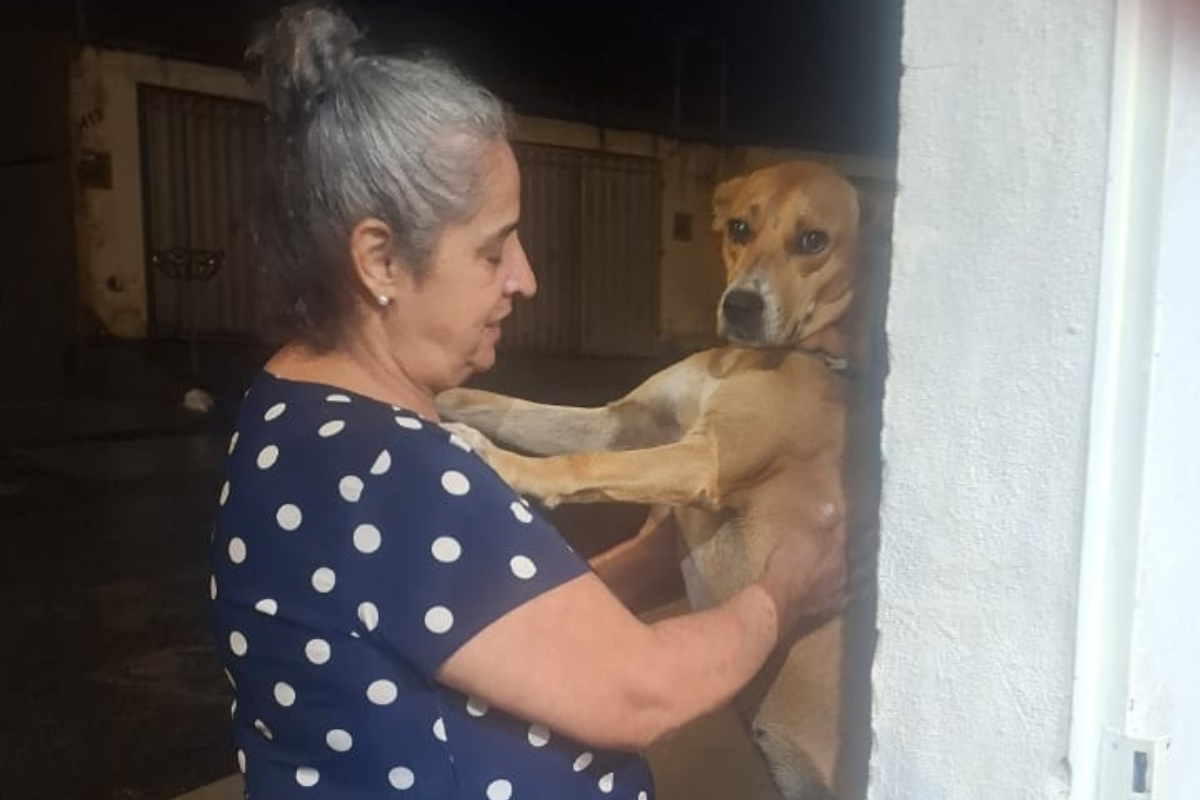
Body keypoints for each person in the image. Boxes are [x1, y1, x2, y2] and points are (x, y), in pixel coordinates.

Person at [209, 4, 847, 799]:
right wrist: (782, 592)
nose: (526, 277)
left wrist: (651, 562)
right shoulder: (394, 472)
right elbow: (641, 692)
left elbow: (484, 624)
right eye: (492, 250)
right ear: (380, 260)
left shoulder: (294, 412)